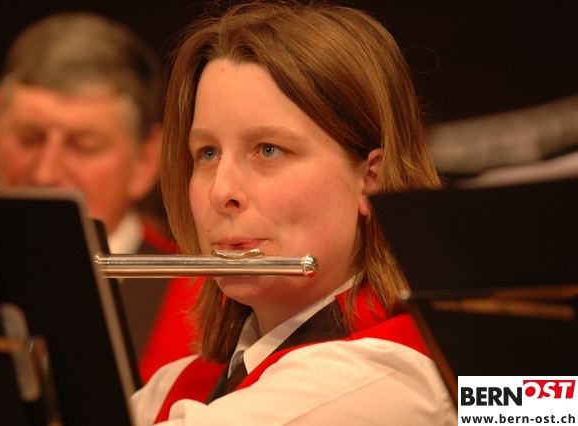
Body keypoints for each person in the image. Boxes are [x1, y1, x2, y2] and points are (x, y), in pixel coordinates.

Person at [130, 1, 456, 424]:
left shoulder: (395, 372)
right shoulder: (179, 382)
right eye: (207, 153)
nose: (221, 191)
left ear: (370, 178)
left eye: (269, 150)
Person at [0, 12, 198, 384]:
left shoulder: (203, 303)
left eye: (83, 146)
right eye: (29, 139)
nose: (45, 173)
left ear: (146, 160)